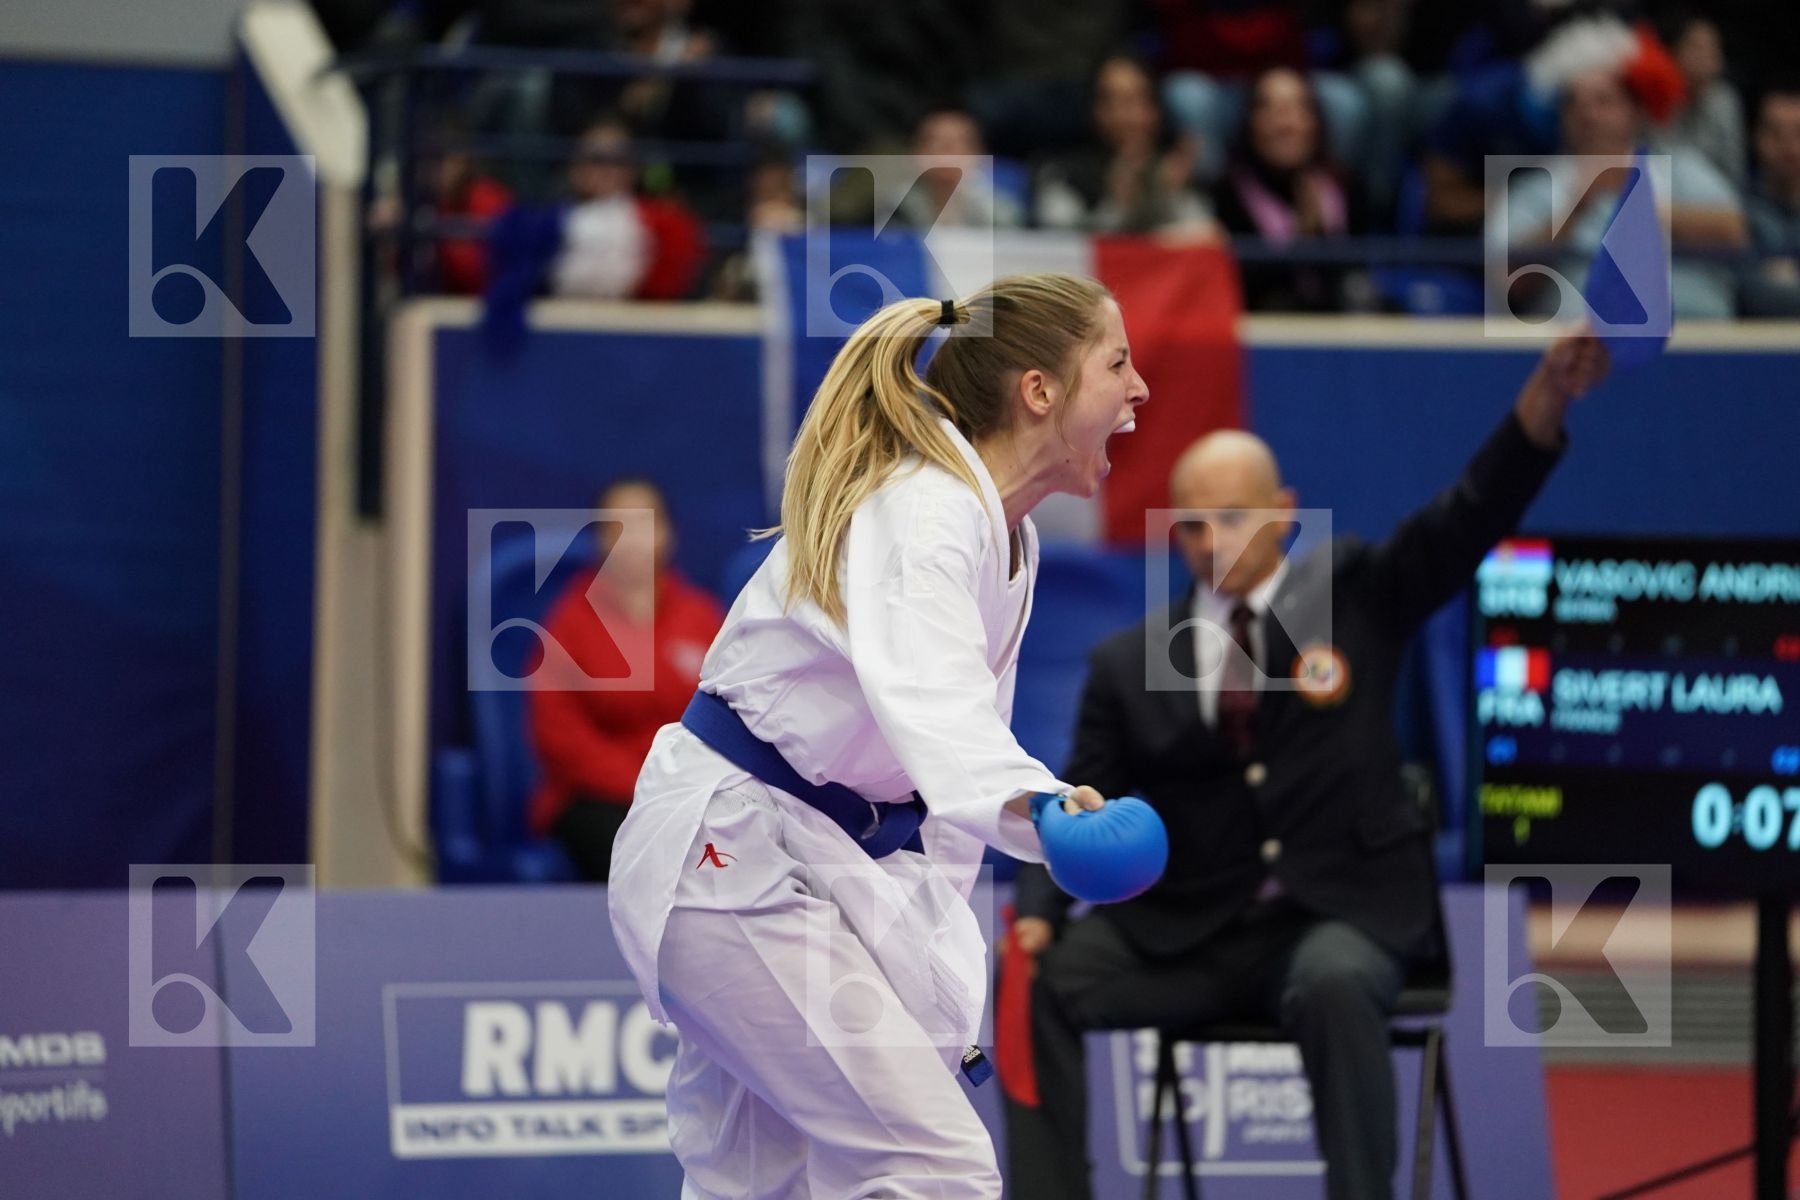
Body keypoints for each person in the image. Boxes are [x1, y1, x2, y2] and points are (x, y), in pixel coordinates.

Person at [1003, 331, 1612, 1200]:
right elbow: (1081, 794)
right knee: (1050, 983)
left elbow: (1473, 511)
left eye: (1234, 517)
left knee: (1330, 983)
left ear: (1284, 511)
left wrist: (1547, 396)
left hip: (1345, 919)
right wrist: (1036, 910)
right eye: (1194, 525)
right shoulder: (1127, 662)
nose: (1213, 542)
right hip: (1196, 934)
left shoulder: (1359, 591)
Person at [608, 273, 1166, 1199]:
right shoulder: (925, 510)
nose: (1139, 389)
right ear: (1040, 391)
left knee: (758, 1186)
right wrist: (1046, 812)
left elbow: (934, 784)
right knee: (931, 1166)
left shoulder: (1001, 537)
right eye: (1117, 364)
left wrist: (932, 972)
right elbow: (940, 721)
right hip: (733, 858)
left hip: (797, 863)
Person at [526, 478, 724, 882]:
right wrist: (642, 785)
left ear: (667, 534)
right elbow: (559, 736)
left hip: (688, 793)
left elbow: (730, 712)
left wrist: (686, 786)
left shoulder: (702, 617)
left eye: (643, 524)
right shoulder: (571, 623)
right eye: (616, 526)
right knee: (635, 850)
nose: (631, 540)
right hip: (598, 799)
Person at [1212, 67, 1371, 312]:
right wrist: (1300, 243)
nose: (1285, 124)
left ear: (1316, 122)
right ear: (1250, 123)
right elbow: (1244, 294)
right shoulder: (1225, 195)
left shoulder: (1348, 188)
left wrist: (1319, 238)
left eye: (1298, 108)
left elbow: (1358, 281)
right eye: (1270, 109)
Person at [1036, 56, 1213, 234]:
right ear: (1094, 110)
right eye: (1111, 101)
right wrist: (1117, 205)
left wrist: (1171, 196)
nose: (1124, 115)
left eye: (1134, 101)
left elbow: (1206, 238)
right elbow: (1059, 241)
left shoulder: (1176, 168)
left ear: (1156, 111)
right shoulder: (1063, 172)